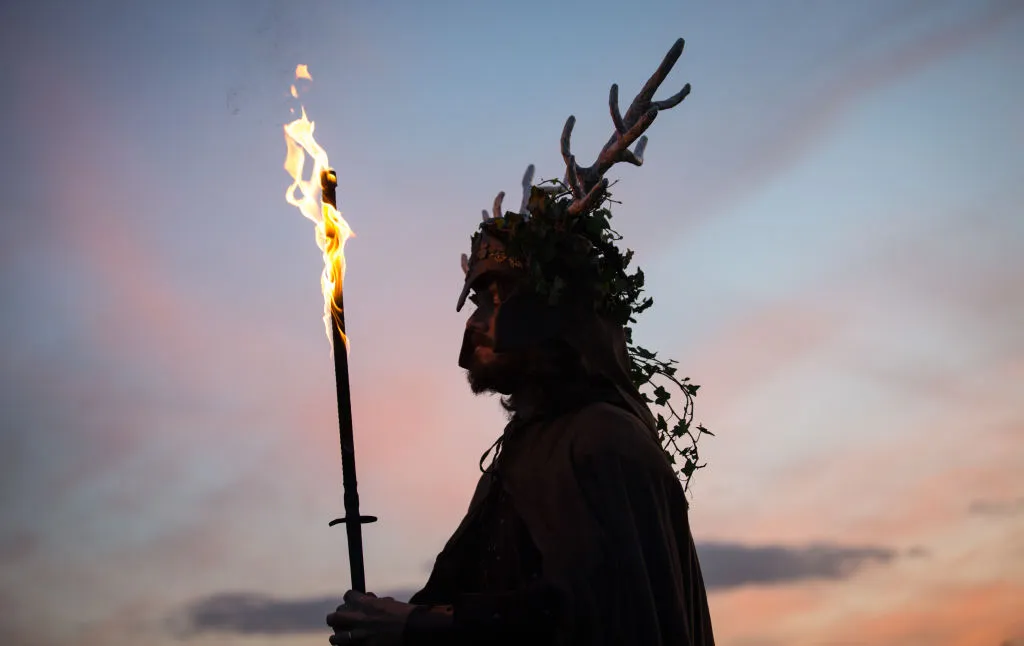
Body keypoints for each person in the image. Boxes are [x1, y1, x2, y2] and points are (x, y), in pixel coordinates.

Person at [327, 38, 715, 646]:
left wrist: (418, 628)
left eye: (500, 297)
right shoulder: (530, 447)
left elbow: (588, 620)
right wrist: (392, 623)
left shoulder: (600, 442)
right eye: (478, 301)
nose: (477, 321)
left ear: (555, 314)